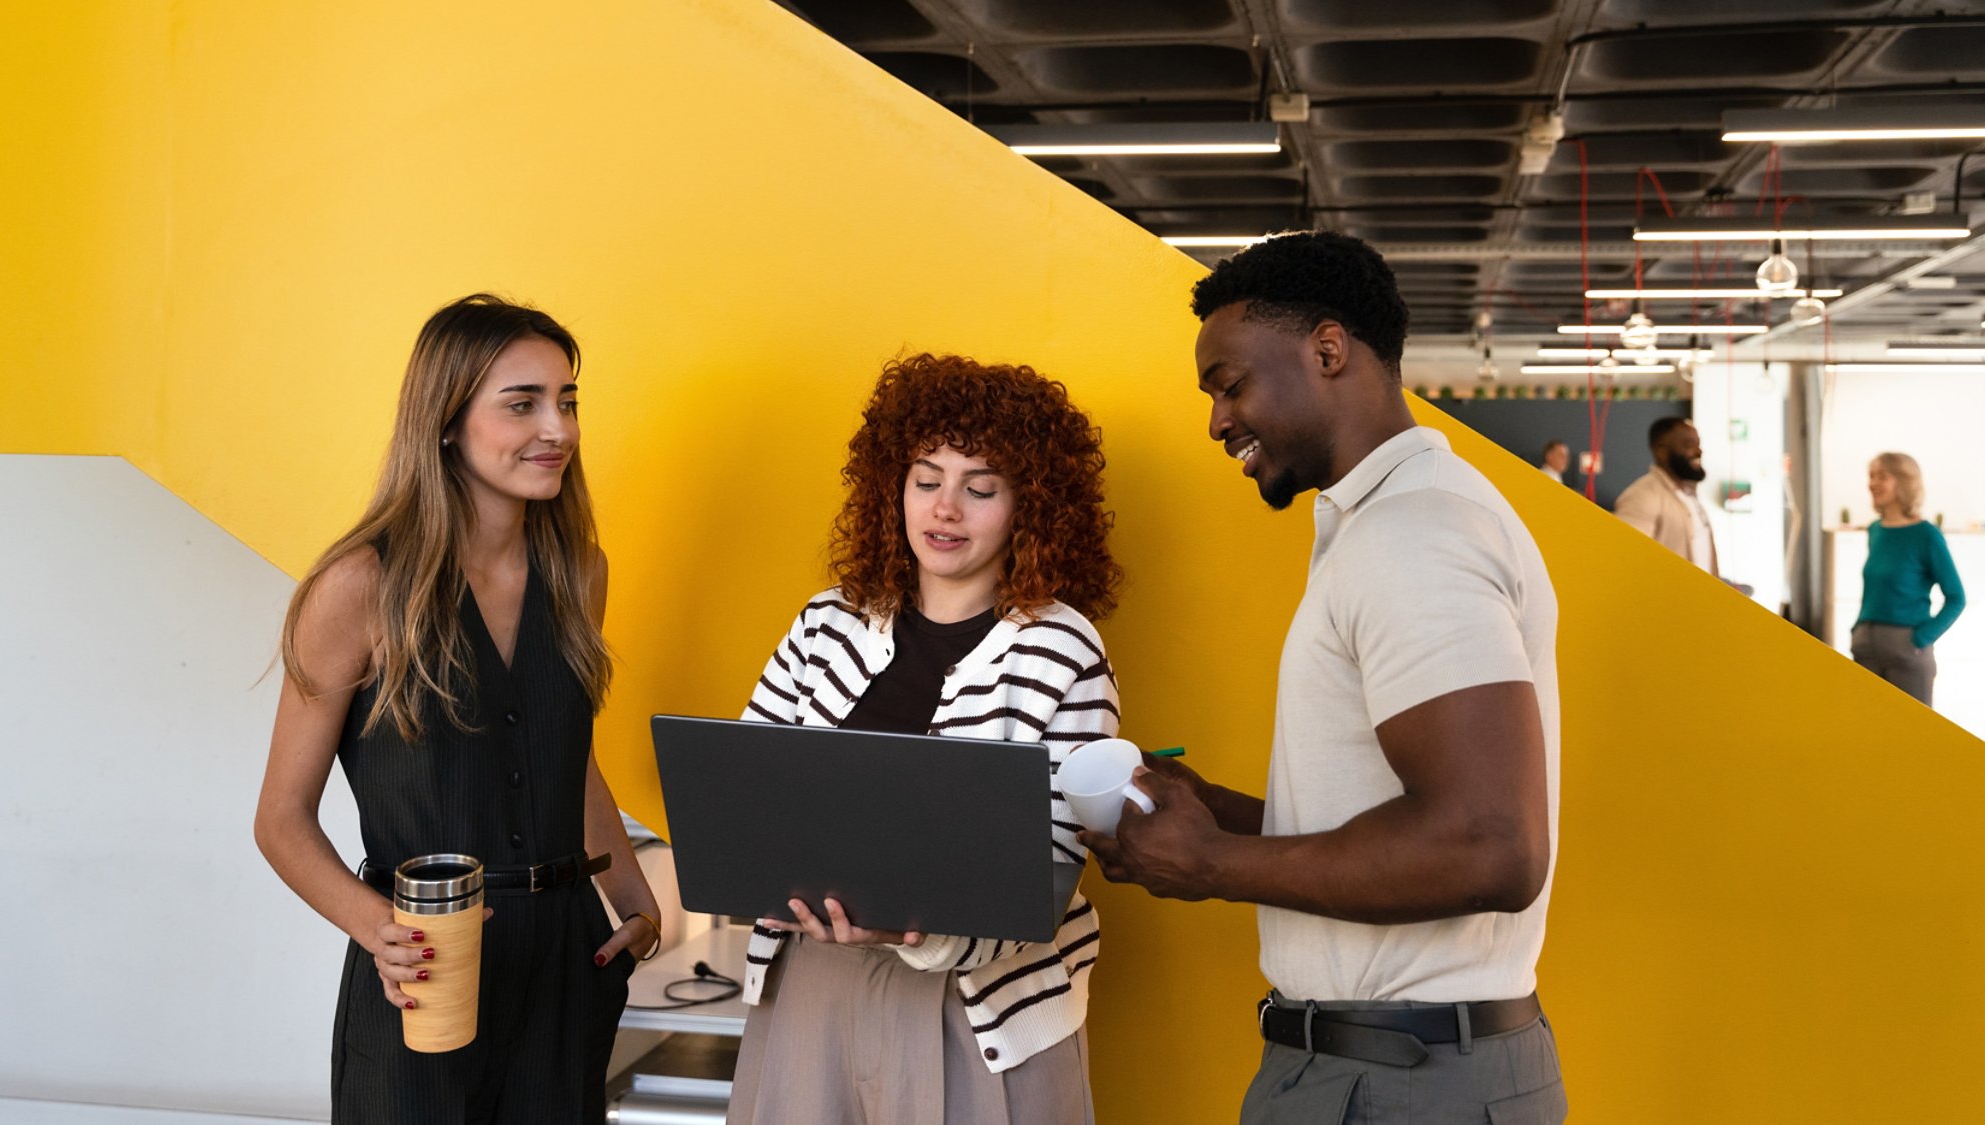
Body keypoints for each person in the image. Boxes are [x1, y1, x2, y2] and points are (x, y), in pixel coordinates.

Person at [1082, 232, 1565, 1124]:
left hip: (1401, 1078)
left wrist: (1214, 861)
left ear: (1329, 349)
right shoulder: (1385, 523)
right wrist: (1216, 811)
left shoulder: (1413, 536)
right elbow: (1408, 824)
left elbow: (1489, 844)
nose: (1218, 421)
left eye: (1231, 385)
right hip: (1392, 1064)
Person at [254, 294, 663, 1123]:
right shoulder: (358, 588)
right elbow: (280, 818)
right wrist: (380, 929)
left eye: (567, 400)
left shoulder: (581, 572)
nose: (559, 428)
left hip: (562, 964)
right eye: (523, 403)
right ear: (446, 422)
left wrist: (635, 897)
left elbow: (564, 754)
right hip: (425, 976)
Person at [727, 353, 1123, 1125]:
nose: (945, 508)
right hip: (813, 989)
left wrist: (919, 928)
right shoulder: (825, 622)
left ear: (1029, 507)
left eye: (980, 488)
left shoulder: (1066, 648)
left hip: (983, 1015)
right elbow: (746, 793)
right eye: (926, 478)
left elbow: (1048, 873)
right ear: (892, 485)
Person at [1853, 451, 1966, 705]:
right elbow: (1876, 590)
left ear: (1904, 482)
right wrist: (1858, 630)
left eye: (1882, 476)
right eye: (1871, 476)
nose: (1873, 483)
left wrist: (1921, 639)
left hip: (1907, 650)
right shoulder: (1875, 530)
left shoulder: (1926, 535)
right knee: (1866, 732)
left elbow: (1956, 597)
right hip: (1866, 647)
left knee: (1910, 737)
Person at [1613, 417, 1718, 576]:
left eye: (1698, 443)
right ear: (1662, 451)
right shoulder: (1642, 495)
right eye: (1689, 445)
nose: (1699, 451)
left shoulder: (1688, 493)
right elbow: (1625, 560)